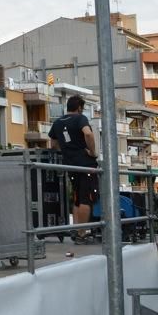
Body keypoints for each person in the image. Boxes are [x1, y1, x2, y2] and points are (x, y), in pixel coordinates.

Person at [48, 95, 99, 244]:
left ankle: (77, 231)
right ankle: (82, 233)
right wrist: (92, 151)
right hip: (85, 164)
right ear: (79, 108)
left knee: (77, 198)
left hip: (70, 164)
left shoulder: (58, 122)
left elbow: (53, 144)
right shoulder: (80, 118)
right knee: (86, 198)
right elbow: (88, 133)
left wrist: (66, 151)